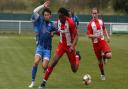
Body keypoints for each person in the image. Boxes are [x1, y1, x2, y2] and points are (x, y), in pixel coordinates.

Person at [38, 7, 81, 89]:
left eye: (61, 17)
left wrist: (72, 46)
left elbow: (76, 37)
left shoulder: (71, 23)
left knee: (74, 69)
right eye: (59, 17)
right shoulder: (58, 22)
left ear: (65, 16)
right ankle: (43, 82)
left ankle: (77, 57)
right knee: (53, 62)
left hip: (70, 47)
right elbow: (60, 32)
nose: (59, 18)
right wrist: (54, 32)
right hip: (61, 45)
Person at [28, 1, 56, 88]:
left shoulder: (52, 25)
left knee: (44, 66)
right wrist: (43, 6)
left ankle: (45, 67)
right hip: (40, 47)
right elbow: (34, 11)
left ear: (50, 15)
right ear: (43, 16)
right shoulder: (40, 21)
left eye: (48, 15)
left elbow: (58, 31)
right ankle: (33, 81)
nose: (47, 16)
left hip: (47, 49)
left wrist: (53, 32)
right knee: (36, 62)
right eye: (45, 15)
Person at [87, 7, 112, 80]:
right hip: (95, 44)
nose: (94, 15)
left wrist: (107, 36)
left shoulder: (101, 21)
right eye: (93, 13)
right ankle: (102, 74)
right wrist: (95, 36)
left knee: (109, 55)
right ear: (91, 14)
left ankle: (104, 56)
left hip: (102, 41)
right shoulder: (90, 24)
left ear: (97, 14)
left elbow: (104, 28)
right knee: (100, 61)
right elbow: (89, 35)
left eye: (95, 13)